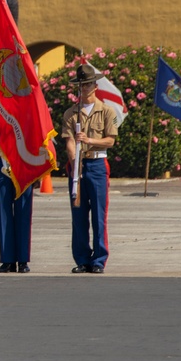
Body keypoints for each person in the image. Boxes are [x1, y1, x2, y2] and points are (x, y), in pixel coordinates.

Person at [61, 63, 118, 274]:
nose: (83, 89)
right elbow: (68, 140)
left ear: (95, 85)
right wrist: (74, 160)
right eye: (80, 85)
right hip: (78, 165)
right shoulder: (71, 112)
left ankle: (99, 260)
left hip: (97, 165)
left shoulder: (106, 111)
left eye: (87, 85)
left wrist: (89, 139)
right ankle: (83, 259)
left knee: (99, 215)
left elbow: (110, 141)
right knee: (78, 214)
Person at [0, 108, 35, 273]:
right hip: (3, 160)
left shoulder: (29, 106)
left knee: (23, 211)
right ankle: (7, 260)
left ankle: (22, 260)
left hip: (23, 160)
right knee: (3, 212)